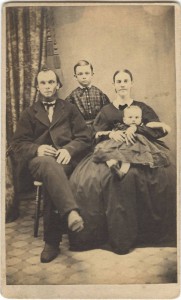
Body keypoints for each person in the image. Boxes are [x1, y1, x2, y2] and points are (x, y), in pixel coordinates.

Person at [69, 69, 172, 254]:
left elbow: (153, 128)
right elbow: (95, 133)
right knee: (88, 180)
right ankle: (103, 233)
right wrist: (111, 133)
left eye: (126, 80)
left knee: (164, 174)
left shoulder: (141, 107)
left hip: (139, 148)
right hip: (112, 148)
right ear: (114, 85)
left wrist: (136, 128)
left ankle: (147, 232)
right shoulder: (107, 110)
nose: (122, 84)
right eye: (119, 81)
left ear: (131, 83)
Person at [11, 67, 91, 263]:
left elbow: (85, 136)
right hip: (38, 163)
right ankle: (71, 211)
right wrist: (37, 149)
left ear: (58, 85)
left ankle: (51, 242)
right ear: (38, 87)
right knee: (48, 165)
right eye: (43, 83)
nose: (47, 86)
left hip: (64, 161)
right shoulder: (29, 113)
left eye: (51, 82)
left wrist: (69, 149)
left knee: (53, 177)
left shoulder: (70, 109)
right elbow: (17, 144)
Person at [93, 105, 170, 179]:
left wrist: (161, 124)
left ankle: (122, 172)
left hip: (134, 146)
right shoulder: (120, 126)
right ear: (124, 120)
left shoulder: (141, 127)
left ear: (140, 119)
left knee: (127, 158)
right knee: (110, 152)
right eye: (130, 117)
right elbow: (111, 132)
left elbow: (151, 124)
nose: (133, 119)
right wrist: (109, 133)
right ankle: (112, 165)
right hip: (120, 144)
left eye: (136, 117)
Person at [65, 60, 110, 131]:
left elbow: (107, 113)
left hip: (100, 127)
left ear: (92, 74)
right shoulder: (72, 96)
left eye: (87, 73)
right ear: (75, 76)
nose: (84, 76)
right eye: (80, 74)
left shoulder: (99, 93)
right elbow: (69, 117)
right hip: (81, 129)